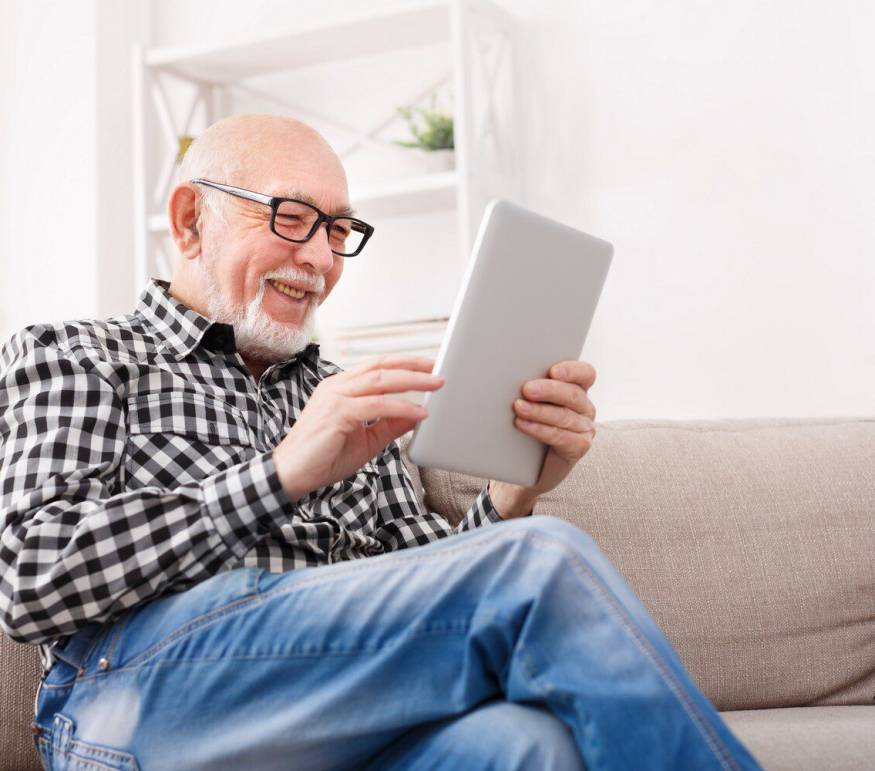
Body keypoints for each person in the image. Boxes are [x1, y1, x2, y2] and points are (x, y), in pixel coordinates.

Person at [0, 114, 760, 771]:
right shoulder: (78, 354)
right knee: (543, 558)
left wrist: (513, 491)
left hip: (337, 708)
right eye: (292, 217)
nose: (321, 259)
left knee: (526, 743)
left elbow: (424, 585)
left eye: (338, 230)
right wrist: (279, 475)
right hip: (133, 700)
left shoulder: (349, 396)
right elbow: (30, 578)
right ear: (191, 219)